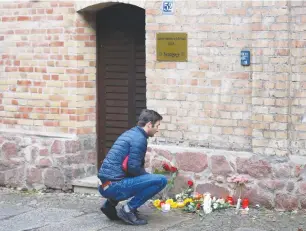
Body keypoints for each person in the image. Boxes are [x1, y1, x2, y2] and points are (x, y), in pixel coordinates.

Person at [97, 109, 167, 225]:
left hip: (104, 186)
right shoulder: (139, 139)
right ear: (149, 124)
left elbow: (128, 167)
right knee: (160, 180)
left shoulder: (131, 133)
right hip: (114, 187)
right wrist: (148, 179)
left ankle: (109, 205)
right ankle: (128, 210)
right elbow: (133, 167)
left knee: (127, 176)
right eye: (157, 126)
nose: (157, 130)